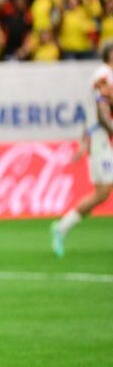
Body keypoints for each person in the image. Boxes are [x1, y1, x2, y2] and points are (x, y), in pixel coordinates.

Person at [50, 61, 113, 257]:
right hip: (101, 145)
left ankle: (63, 227)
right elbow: (102, 114)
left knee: (101, 194)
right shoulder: (103, 81)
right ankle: (62, 227)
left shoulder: (98, 89)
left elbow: (91, 119)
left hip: (98, 144)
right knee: (103, 192)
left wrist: (83, 143)